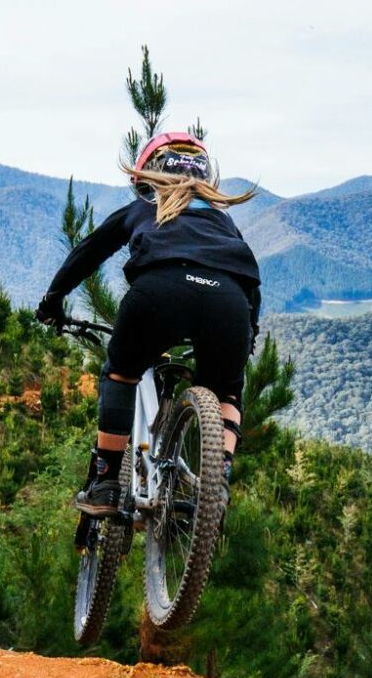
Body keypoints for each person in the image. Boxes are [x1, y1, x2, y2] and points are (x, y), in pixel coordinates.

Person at [35, 131, 261, 516]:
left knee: (121, 373)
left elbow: (88, 252)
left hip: (159, 292)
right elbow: (249, 280)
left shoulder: (143, 208)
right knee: (226, 395)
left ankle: (106, 483)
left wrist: (53, 300)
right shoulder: (222, 221)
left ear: (147, 176)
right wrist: (248, 332)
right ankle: (217, 481)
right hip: (228, 302)